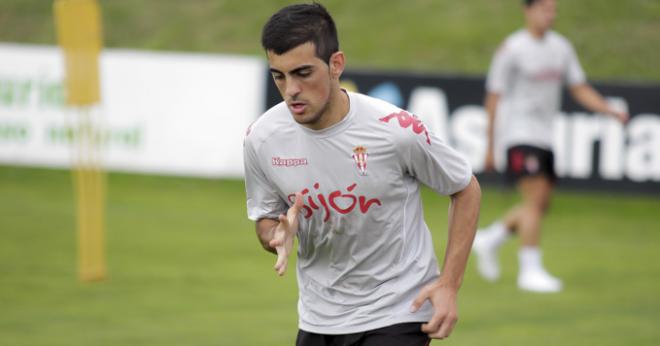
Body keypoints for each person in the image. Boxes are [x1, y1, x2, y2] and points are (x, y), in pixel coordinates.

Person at [243, 3, 481, 345]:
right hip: (318, 317)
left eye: (303, 73)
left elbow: (465, 188)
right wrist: (276, 235)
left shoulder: (395, 130)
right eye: (279, 76)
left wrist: (449, 284)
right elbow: (266, 220)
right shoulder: (262, 138)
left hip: (398, 310)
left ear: (336, 64)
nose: (291, 89)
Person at [474, 0, 628, 293]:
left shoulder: (561, 47)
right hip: (519, 134)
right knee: (534, 202)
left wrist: (609, 110)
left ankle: (490, 239)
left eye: (553, 9)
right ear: (527, 10)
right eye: (544, 9)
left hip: (545, 136)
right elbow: (493, 97)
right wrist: (490, 145)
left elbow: (578, 86)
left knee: (540, 204)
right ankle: (529, 271)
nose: (550, 15)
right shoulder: (512, 49)